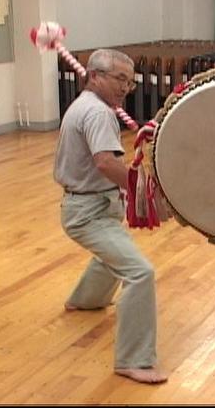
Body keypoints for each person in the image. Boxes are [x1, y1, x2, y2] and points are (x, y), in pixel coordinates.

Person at [53, 49, 168, 384]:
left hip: (92, 205)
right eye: (120, 79)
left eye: (130, 83)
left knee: (113, 254)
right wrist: (145, 189)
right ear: (96, 76)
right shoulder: (98, 113)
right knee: (140, 272)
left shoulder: (88, 106)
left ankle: (85, 300)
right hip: (88, 212)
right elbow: (105, 162)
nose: (125, 88)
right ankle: (134, 360)